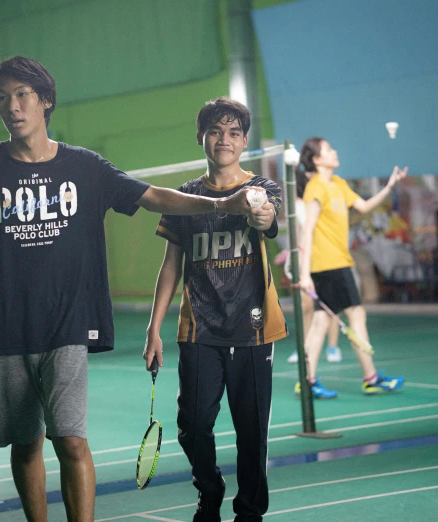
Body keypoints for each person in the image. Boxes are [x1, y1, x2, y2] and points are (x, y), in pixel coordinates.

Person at [0, 57, 259, 522]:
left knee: (70, 439)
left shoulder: (85, 167)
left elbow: (153, 196)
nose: (12, 106)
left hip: (69, 322)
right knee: (25, 441)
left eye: (22, 95)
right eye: (2, 98)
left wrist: (222, 200)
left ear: (45, 101)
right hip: (8, 324)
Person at [143, 97, 287, 522]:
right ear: (202, 138)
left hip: (254, 329)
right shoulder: (184, 197)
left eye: (233, 133)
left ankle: (250, 512)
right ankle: (210, 490)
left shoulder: (264, 188)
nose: (224, 139)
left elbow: (267, 221)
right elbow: (171, 265)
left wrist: (258, 210)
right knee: (192, 426)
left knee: (252, 432)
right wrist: (154, 328)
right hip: (199, 328)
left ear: (244, 142)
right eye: (215, 131)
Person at [296, 137, 406, 397]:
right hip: (327, 264)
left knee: (322, 321)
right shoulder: (315, 188)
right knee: (355, 314)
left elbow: (364, 206)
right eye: (328, 150)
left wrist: (389, 186)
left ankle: (307, 379)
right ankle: (371, 377)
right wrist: (304, 273)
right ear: (317, 160)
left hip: (339, 261)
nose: (335, 152)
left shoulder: (338, 184)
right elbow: (307, 230)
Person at [284, 163, 342, 367]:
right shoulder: (297, 205)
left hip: (326, 257)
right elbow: (300, 233)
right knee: (305, 305)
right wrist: (291, 257)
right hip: (304, 258)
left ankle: (333, 346)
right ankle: (304, 347)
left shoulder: (320, 198)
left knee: (330, 303)